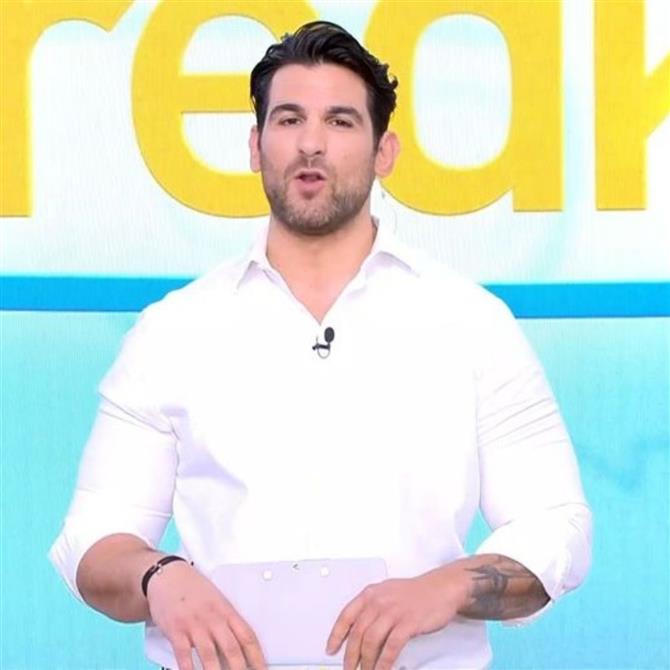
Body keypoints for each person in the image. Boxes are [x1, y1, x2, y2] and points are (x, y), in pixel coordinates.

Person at [50, 20, 592, 670]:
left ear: (384, 151)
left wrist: (446, 587)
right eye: (288, 120)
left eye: (340, 121)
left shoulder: (470, 324)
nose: (311, 143)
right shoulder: (173, 331)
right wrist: (159, 577)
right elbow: (92, 541)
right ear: (255, 147)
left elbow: (557, 526)